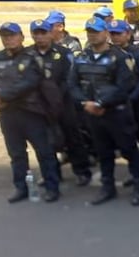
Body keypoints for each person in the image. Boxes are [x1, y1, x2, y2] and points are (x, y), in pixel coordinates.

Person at [0, 22, 62, 203]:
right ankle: (21, 187)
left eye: (12, 35)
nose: (8, 39)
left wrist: (1, 96)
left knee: (44, 152)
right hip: (7, 114)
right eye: (5, 36)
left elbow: (29, 82)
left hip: (31, 112)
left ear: (22, 37)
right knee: (16, 154)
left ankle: (52, 187)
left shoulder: (32, 57)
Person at [68, 18, 139, 206]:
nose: (92, 35)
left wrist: (101, 103)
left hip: (117, 113)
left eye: (96, 31)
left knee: (129, 150)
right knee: (103, 153)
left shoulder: (120, 56)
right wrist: (84, 102)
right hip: (93, 114)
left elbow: (125, 85)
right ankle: (108, 188)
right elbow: (72, 84)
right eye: (89, 31)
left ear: (105, 33)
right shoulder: (81, 57)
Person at [27, 18, 92, 187]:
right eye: (37, 34)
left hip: (63, 103)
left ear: (51, 34)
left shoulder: (63, 53)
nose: (40, 37)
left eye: (44, 33)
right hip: (39, 107)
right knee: (44, 142)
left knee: (73, 138)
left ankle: (81, 171)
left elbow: (70, 78)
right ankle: (51, 173)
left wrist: (55, 97)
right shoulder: (27, 55)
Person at [108, 20, 139, 186]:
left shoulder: (137, 52)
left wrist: (132, 98)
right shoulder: (110, 53)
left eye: (118, 34)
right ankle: (134, 171)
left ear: (128, 34)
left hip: (138, 101)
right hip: (119, 103)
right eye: (112, 34)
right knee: (126, 139)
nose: (115, 37)